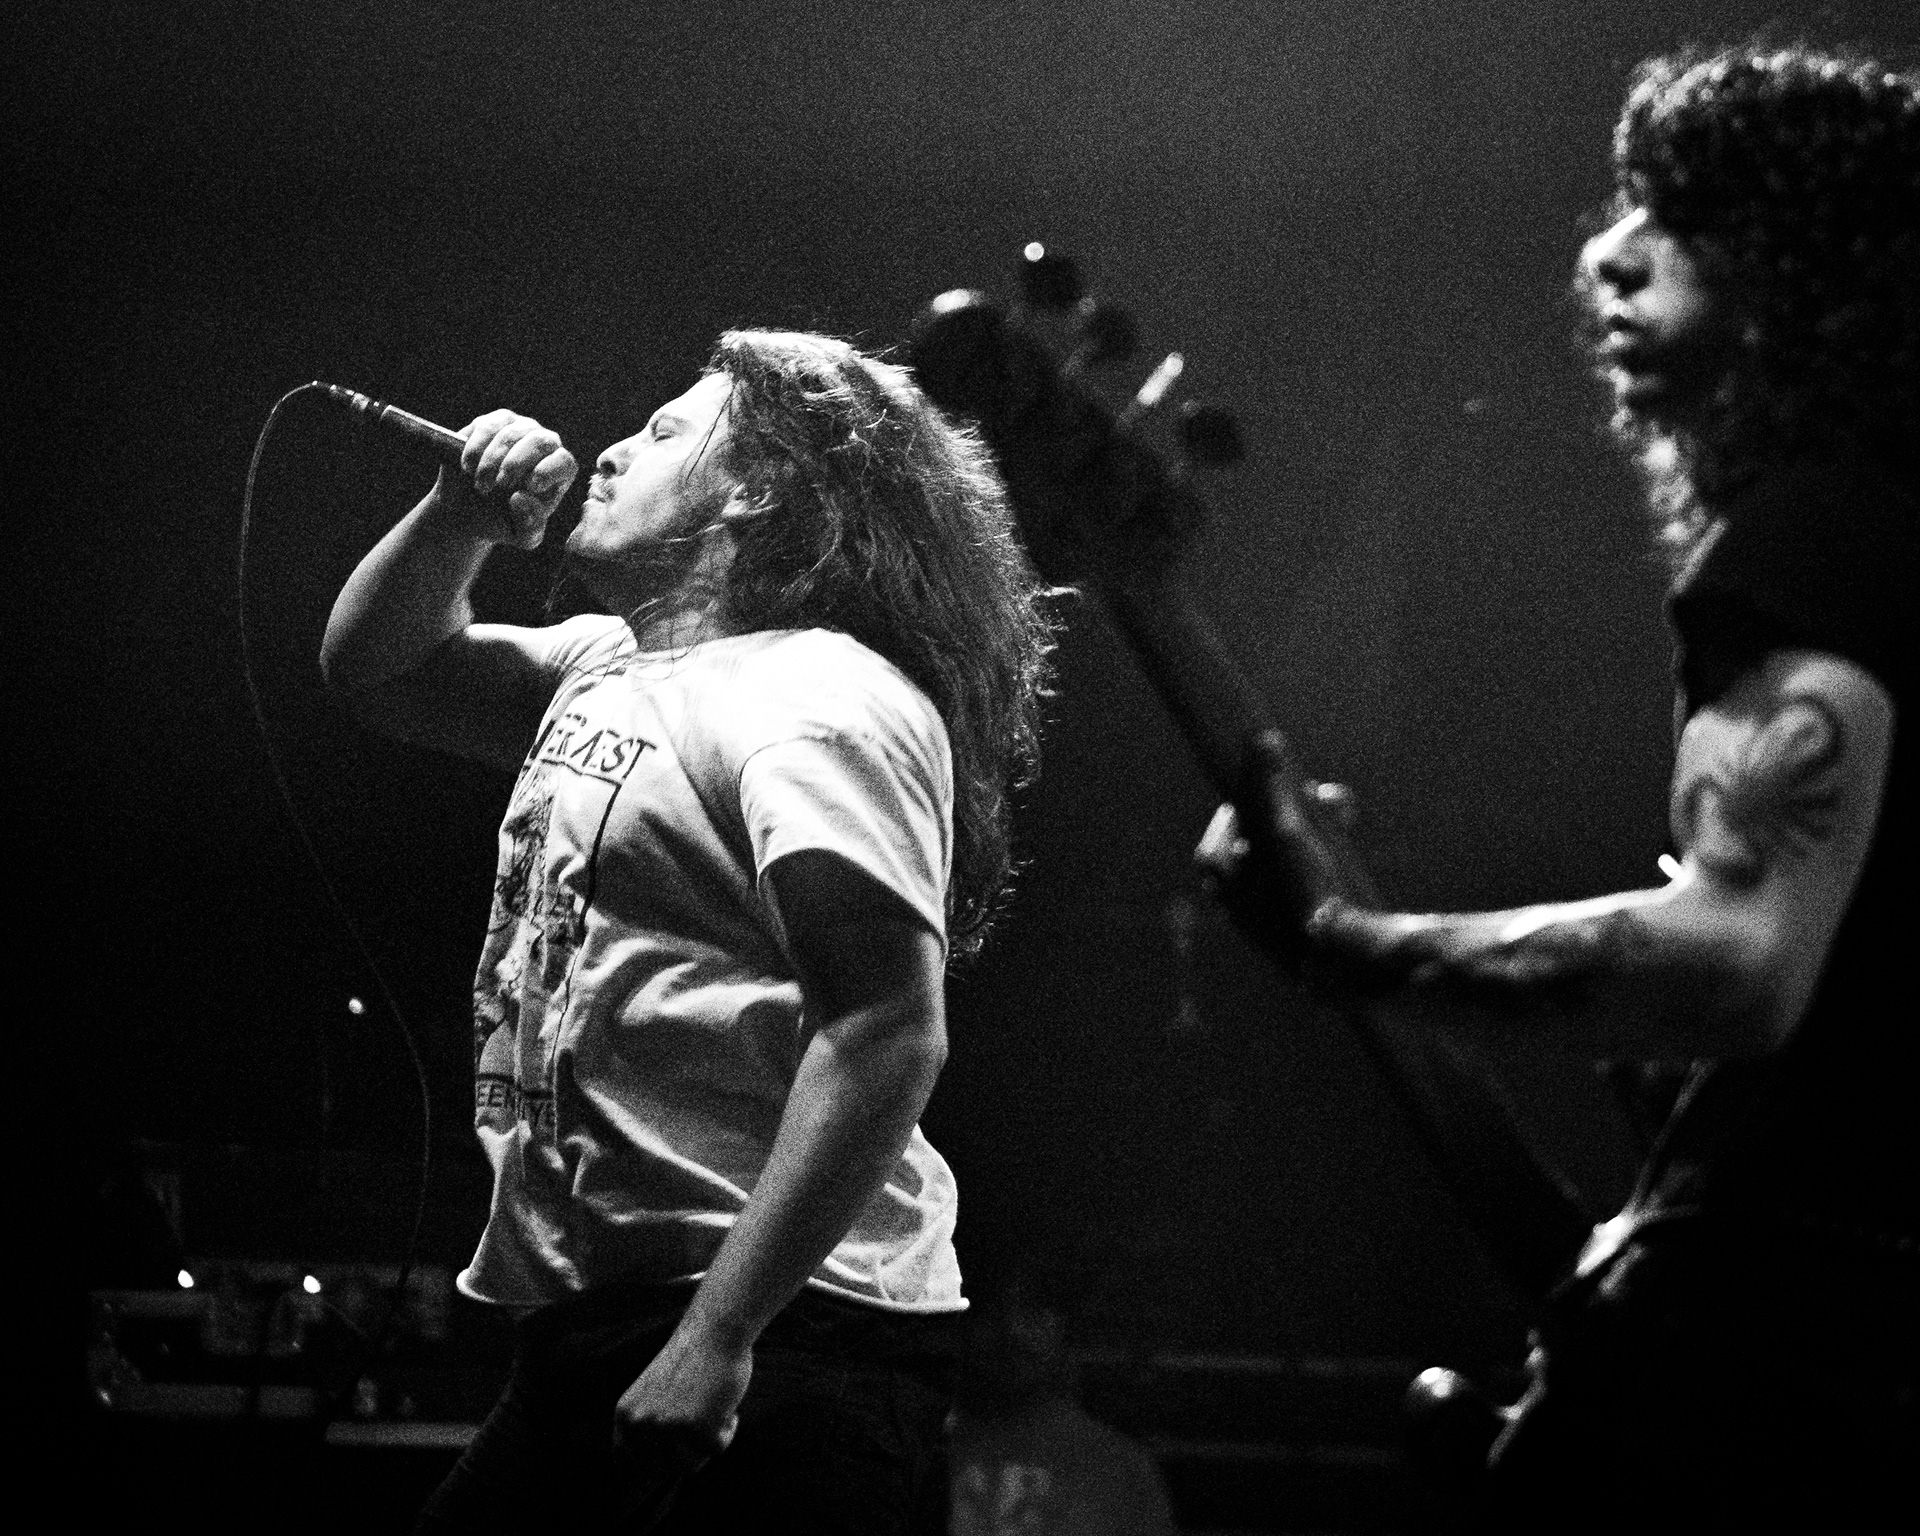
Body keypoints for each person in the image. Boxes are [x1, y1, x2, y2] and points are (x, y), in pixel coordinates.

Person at [1201, 46, 1916, 1527]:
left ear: (1812, 273)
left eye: (1682, 217)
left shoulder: (1813, 536)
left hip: (1793, 1376)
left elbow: (1738, 965)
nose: (1609, 254)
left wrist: (1349, 950)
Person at [321, 330, 1055, 1533]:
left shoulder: (818, 695)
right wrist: (456, 519)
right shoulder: (608, 666)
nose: (611, 451)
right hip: (605, 1316)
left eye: (666, 433)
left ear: (757, 490)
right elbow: (382, 672)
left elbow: (885, 1027)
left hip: (791, 1326)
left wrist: (720, 1335)